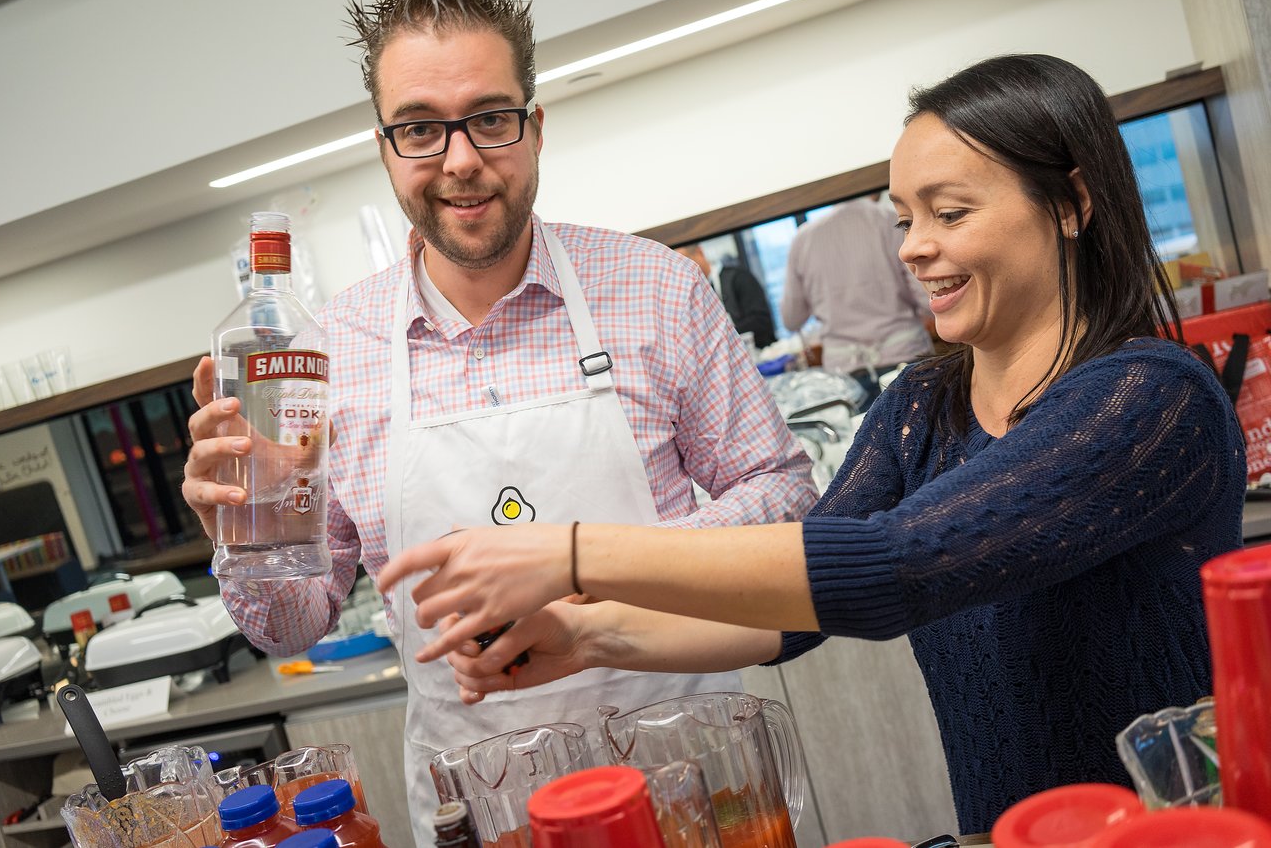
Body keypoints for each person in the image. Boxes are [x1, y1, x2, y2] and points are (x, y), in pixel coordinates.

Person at [377, 54, 1247, 836]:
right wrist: (587, 636)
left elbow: (893, 563)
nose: (916, 248)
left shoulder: (1149, 400)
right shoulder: (923, 406)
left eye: (949, 212)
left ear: (1070, 203)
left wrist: (569, 556)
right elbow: (789, 610)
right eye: (904, 216)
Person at [180, 0, 817, 839]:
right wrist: (252, 530)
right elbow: (295, 623)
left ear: (536, 127)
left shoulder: (656, 289)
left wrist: (589, 567)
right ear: (385, 147)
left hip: (689, 786)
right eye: (420, 128)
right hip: (486, 806)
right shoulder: (330, 352)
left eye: (490, 119)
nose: (460, 159)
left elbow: (783, 499)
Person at [782, 193, 934, 377]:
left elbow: (791, 319)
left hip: (844, 370)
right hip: (906, 355)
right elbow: (927, 298)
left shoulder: (803, 239)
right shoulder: (892, 222)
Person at [674, 244, 777, 348]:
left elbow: (761, 321)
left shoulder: (738, 278)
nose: (683, 269)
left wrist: (720, 334)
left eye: (685, 262)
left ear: (699, 252)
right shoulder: (690, 297)